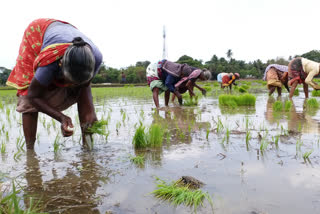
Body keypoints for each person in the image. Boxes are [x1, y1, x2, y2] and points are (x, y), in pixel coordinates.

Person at [6, 18, 103, 150]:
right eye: (68, 80)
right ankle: (30, 151)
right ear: (60, 65)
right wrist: (61, 117)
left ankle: (88, 148)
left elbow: (85, 92)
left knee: (86, 106)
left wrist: (91, 114)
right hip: (36, 34)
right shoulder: (50, 62)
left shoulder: (95, 59)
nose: (71, 85)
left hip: (63, 33)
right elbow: (33, 96)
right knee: (27, 99)